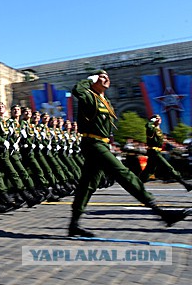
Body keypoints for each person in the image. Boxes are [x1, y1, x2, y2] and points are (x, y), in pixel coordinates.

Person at [68, 70, 191, 237]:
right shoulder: (89, 95)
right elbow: (77, 90)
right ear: (95, 80)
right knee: (123, 173)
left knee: (88, 183)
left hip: (102, 143)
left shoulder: (106, 101)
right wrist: (89, 80)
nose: (106, 79)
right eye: (101, 77)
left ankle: (73, 224)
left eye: (107, 77)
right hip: (93, 143)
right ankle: (161, 212)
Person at [140, 114, 192, 191]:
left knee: (148, 171)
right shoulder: (151, 129)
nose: (159, 119)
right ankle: (185, 184)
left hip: (156, 152)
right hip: (154, 152)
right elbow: (148, 126)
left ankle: (135, 184)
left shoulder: (158, 129)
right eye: (157, 118)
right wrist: (152, 121)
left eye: (159, 118)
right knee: (169, 168)